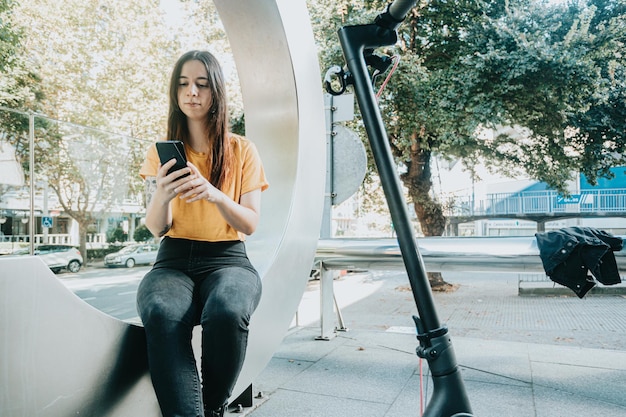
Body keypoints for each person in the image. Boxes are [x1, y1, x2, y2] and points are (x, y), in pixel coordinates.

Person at [137, 50, 269, 417]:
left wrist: (213, 194)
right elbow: (156, 227)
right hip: (173, 259)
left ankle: (212, 408)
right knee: (161, 312)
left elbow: (250, 224)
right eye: (182, 84)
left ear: (216, 92)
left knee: (228, 309)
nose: (191, 92)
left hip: (228, 258)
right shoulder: (159, 153)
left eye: (201, 83)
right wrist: (163, 192)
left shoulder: (242, 149)